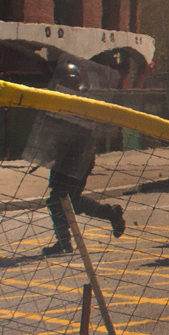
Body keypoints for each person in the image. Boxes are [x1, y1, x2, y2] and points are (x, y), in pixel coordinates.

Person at [41, 59, 125, 257]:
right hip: (65, 157)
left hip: (79, 157)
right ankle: (108, 214)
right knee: (65, 200)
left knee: (61, 200)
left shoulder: (82, 100)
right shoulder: (62, 101)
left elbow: (84, 133)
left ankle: (65, 241)